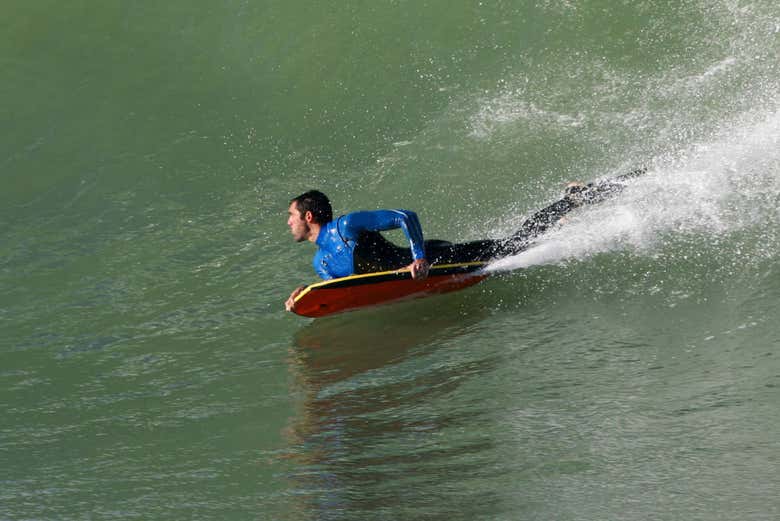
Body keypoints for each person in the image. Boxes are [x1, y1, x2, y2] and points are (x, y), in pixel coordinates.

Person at [285, 169, 645, 311]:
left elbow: (404, 217)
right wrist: (304, 296)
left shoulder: (346, 228)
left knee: (515, 245)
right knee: (517, 242)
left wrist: (417, 258)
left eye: (291, 216)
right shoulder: (321, 264)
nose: (288, 224)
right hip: (416, 272)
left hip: (438, 260)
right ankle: (568, 208)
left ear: (309, 216)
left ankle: (575, 199)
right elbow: (350, 291)